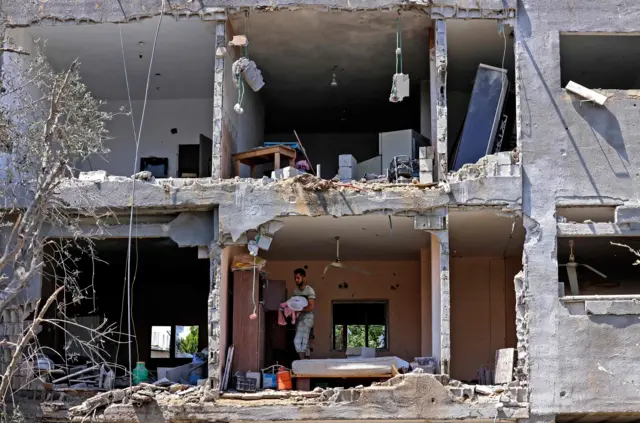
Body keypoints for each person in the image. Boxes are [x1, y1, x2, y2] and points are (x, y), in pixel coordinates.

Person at [292, 268, 315, 359]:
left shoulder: (310, 291)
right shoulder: (295, 291)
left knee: (300, 341)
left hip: (308, 317)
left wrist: (299, 310)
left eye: (298, 278)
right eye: (295, 278)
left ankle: (302, 363)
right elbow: (293, 304)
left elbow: (311, 307)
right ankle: (306, 360)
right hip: (299, 317)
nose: (296, 280)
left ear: (304, 278)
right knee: (302, 341)